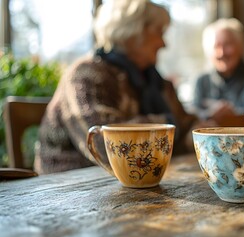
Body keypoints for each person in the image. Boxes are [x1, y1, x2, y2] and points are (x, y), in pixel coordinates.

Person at [34, 0, 200, 174]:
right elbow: (104, 144)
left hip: (141, 180)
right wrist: (168, 125)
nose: (164, 44)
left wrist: (204, 131)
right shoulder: (86, 75)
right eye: (159, 32)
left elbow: (186, 126)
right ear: (133, 32)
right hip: (72, 185)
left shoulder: (156, 81)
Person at [192, 18, 244, 125]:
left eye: (227, 45)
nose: (221, 53)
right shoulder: (201, 81)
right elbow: (192, 116)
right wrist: (211, 115)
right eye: (216, 47)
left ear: (241, 47)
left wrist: (232, 115)